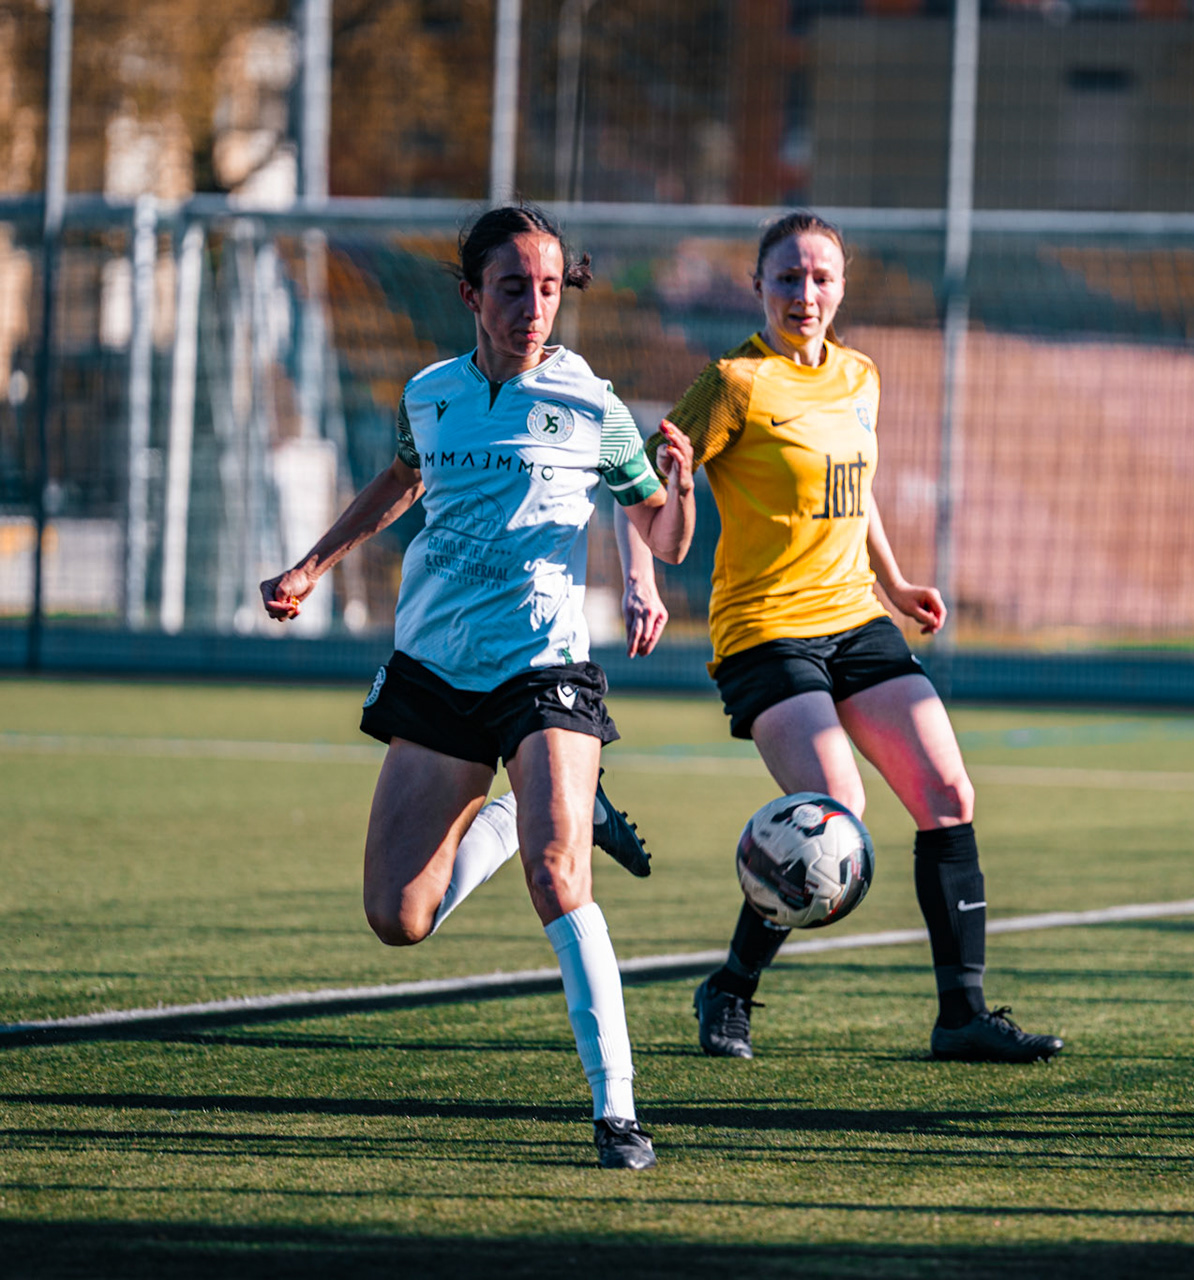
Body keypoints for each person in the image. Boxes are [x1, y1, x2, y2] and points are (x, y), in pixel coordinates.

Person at [259, 204, 696, 1170]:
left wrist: (679, 493)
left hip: (544, 668)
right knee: (397, 918)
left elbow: (658, 528)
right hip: (437, 667)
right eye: (512, 288)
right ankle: (518, 814)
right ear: (470, 295)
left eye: (548, 289)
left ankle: (617, 1112)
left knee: (557, 877)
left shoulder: (591, 402)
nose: (534, 307)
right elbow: (404, 481)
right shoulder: (430, 394)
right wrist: (312, 565)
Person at [628, 210, 1063, 1064]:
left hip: (854, 617)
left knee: (948, 792)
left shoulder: (860, 377)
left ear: (841, 287)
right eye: (787, 277)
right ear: (758, 286)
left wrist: (895, 585)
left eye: (821, 277)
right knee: (834, 816)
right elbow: (642, 495)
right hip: (764, 631)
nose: (805, 293)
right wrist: (662, 525)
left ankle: (961, 1016)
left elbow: (851, 495)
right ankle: (732, 990)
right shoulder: (730, 383)